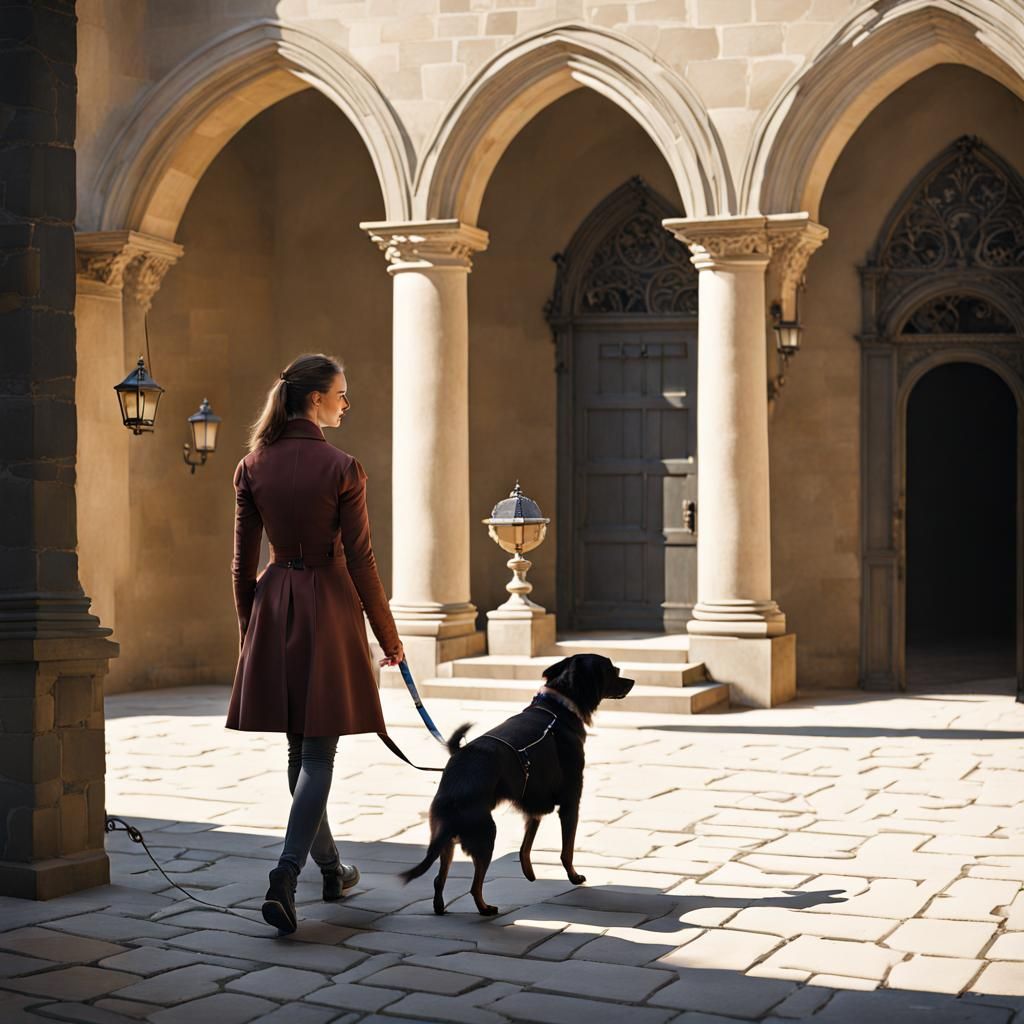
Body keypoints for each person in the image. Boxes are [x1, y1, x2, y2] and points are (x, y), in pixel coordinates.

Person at [226, 353, 404, 934]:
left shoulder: (251, 465)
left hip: (274, 605)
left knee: (298, 752)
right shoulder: (342, 467)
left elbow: (241, 565)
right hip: (328, 607)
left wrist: (249, 629)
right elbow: (362, 559)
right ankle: (287, 873)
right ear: (315, 400)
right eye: (341, 394)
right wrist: (389, 636)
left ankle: (331, 868)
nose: (346, 403)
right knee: (318, 754)